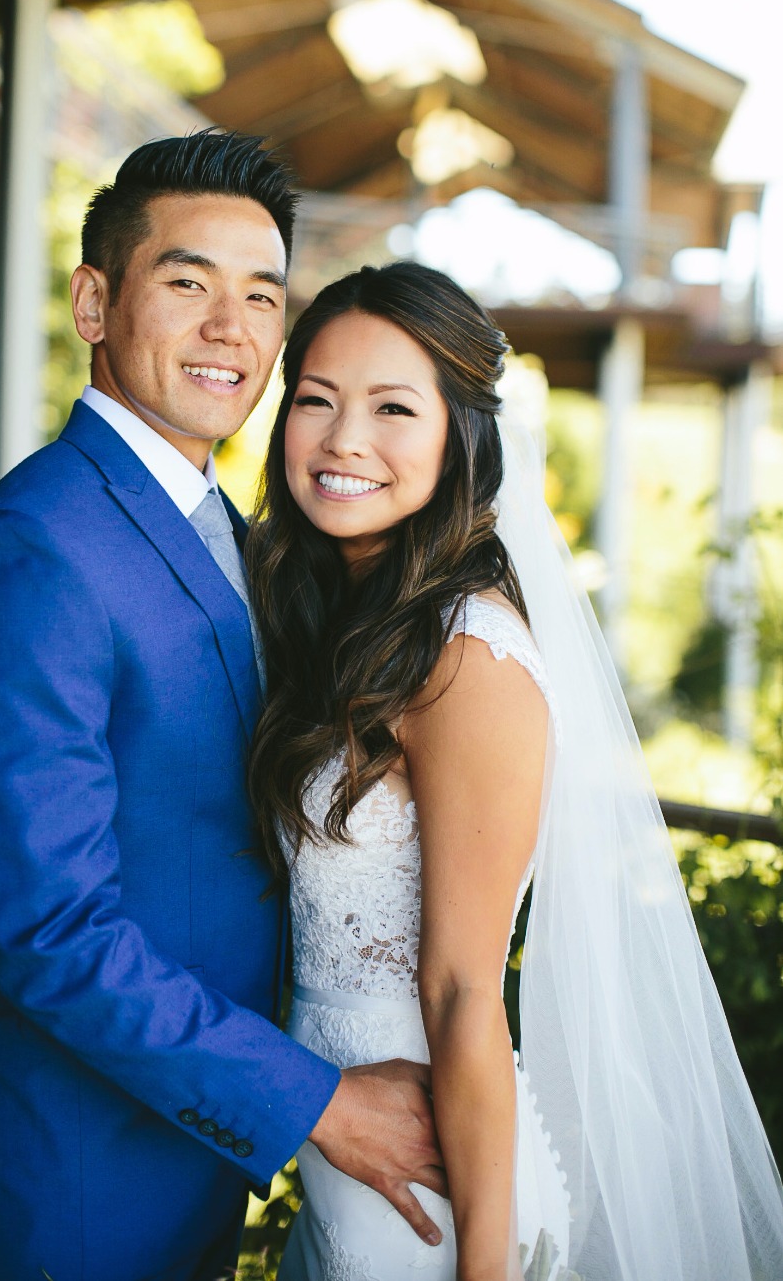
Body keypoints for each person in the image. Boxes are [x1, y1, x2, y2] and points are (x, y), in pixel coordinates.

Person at [0, 133, 446, 1281]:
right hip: (69, 1195)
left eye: (262, 295)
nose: (231, 328)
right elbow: (51, 931)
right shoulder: (34, 552)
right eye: (188, 282)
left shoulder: (242, 538)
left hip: (188, 1165)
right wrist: (321, 1104)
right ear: (94, 301)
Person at [245, 261, 783, 1281]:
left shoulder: (466, 656)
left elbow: (461, 991)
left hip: (424, 1189)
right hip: (344, 1145)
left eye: (393, 407)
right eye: (315, 398)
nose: (342, 437)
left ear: (462, 437)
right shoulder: (341, 617)